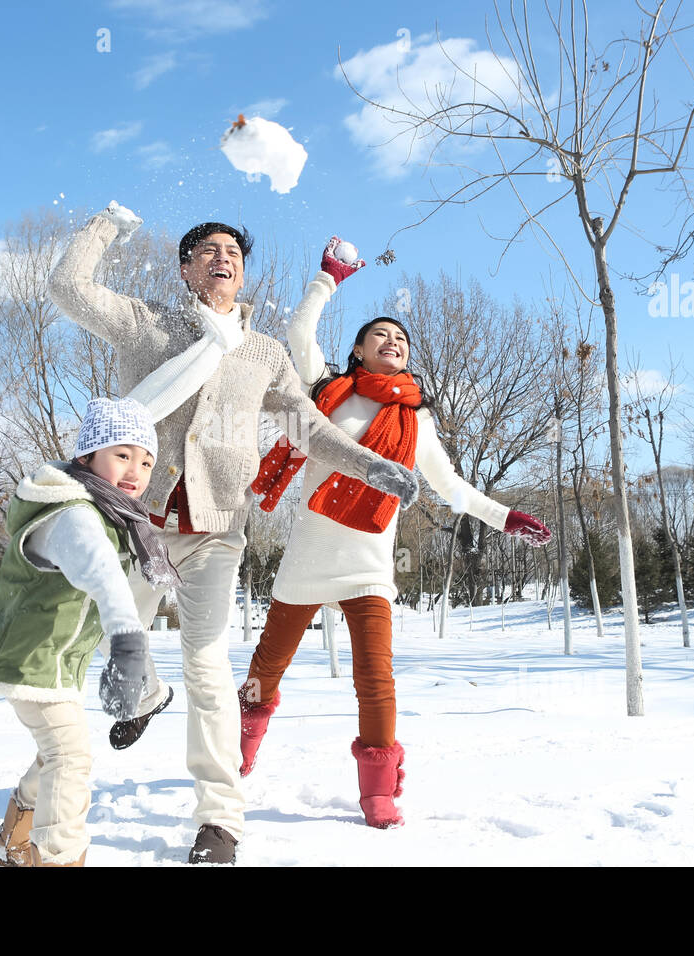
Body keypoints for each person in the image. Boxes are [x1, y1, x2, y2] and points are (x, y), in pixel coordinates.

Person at [46, 203, 419, 864]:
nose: (224, 259)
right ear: (187, 270)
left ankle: (219, 818)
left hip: (218, 529)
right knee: (119, 642)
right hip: (142, 525)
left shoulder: (264, 353)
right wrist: (106, 224)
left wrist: (373, 466)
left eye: (234, 254)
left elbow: (309, 428)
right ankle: (145, 696)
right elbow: (69, 290)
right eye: (209, 251)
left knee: (209, 667)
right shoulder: (149, 327)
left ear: (243, 273)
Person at [241, 238, 552, 829]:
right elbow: (299, 331)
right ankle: (240, 748)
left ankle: (378, 791)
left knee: (375, 678)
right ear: (358, 349)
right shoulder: (326, 391)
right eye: (380, 334)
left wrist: (503, 516)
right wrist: (329, 279)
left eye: (401, 339)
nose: (393, 341)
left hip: (368, 565)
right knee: (266, 667)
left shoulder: (417, 422)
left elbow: (453, 489)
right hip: (308, 555)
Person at [0, 397, 179, 867]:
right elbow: (102, 576)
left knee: (58, 752)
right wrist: (128, 644)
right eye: (122, 455)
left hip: (52, 662)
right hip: (26, 660)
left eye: (146, 461)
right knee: (70, 756)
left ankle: (12, 834)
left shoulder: (108, 512)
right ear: (87, 456)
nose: (136, 471)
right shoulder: (76, 514)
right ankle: (57, 858)